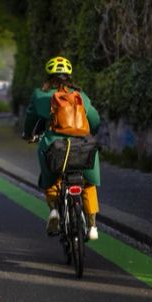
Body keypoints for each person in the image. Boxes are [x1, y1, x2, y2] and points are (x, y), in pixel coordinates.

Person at [22, 56, 102, 240]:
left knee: (50, 177)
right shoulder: (80, 95)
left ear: (49, 76)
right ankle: (92, 226)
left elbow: (30, 119)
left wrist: (28, 134)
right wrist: (92, 131)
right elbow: (95, 120)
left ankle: (54, 212)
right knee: (88, 182)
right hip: (82, 145)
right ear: (69, 76)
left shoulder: (41, 95)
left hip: (54, 145)